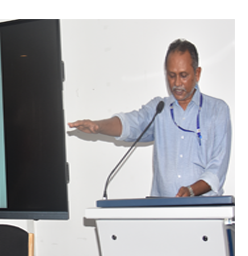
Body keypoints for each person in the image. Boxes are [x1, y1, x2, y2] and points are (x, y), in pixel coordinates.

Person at [68, 40, 231, 199]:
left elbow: (217, 168)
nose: (177, 83)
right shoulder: (159, 108)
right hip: (162, 209)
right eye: (171, 75)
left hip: (204, 208)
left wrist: (191, 190)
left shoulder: (217, 110)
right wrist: (98, 126)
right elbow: (131, 124)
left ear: (197, 74)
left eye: (183, 75)